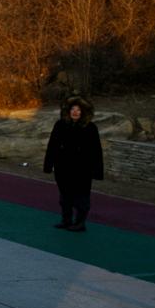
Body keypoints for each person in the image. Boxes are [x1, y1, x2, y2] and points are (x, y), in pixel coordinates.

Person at [45, 95, 104, 232]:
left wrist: (97, 171)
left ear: (83, 111)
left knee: (82, 197)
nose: (75, 112)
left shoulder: (90, 128)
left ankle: (80, 223)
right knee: (65, 196)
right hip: (63, 167)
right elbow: (52, 145)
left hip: (83, 169)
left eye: (78, 109)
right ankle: (66, 220)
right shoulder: (60, 125)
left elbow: (96, 150)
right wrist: (49, 164)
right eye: (73, 109)